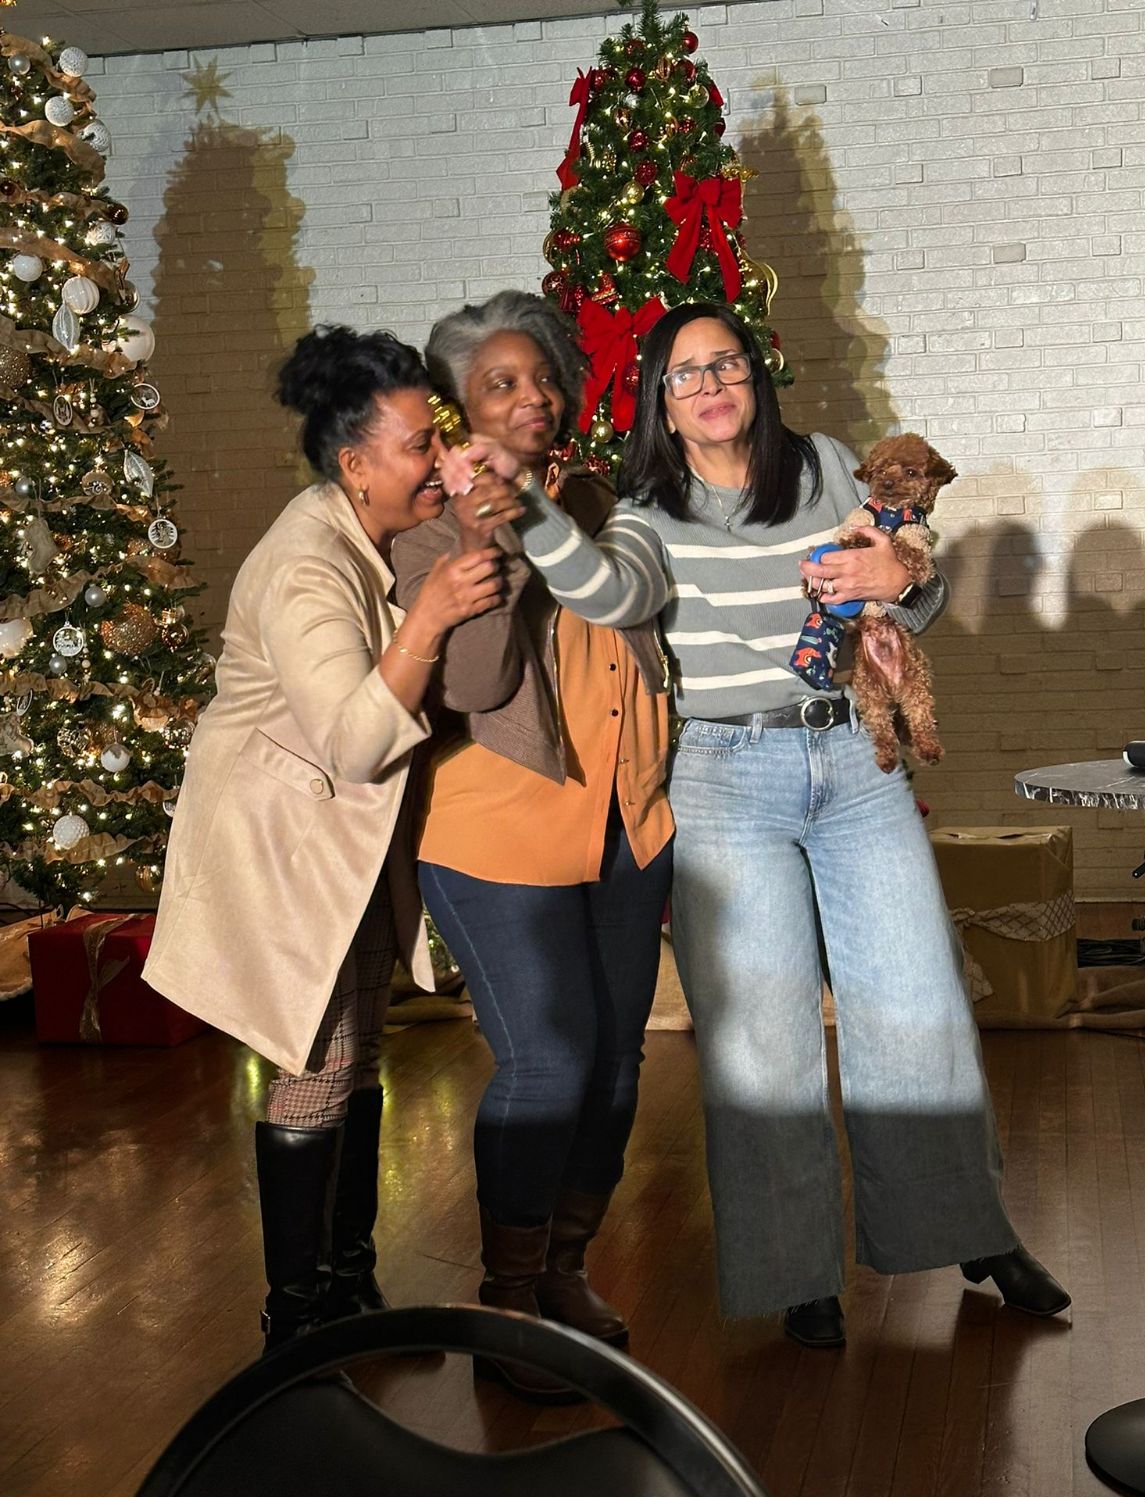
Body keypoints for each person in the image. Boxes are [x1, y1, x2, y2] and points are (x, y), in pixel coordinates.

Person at [441, 300, 1070, 1348]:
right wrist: (530, 509)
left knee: (919, 1007)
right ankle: (797, 1274)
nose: (709, 385)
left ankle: (969, 1229)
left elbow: (911, 586)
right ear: (661, 403)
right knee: (762, 1043)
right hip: (725, 778)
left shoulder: (824, 466)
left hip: (853, 762)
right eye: (684, 374)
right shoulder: (648, 507)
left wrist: (903, 577)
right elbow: (608, 593)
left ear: (754, 377)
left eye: (724, 363)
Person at [144, 326, 506, 1351]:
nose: (438, 459)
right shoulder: (306, 564)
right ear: (354, 464)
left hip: (341, 839)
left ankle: (348, 1288)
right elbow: (352, 742)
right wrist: (430, 617)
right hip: (281, 845)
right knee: (313, 1063)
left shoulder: (370, 533)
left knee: (360, 1053)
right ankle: (296, 1325)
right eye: (418, 445)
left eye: (439, 436)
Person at [390, 291, 673, 1399]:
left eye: (545, 376)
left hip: (625, 821)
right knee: (548, 1059)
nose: (533, 397)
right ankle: (507, 1294)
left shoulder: (601, 502)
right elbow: (474, 684)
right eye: (500, 383)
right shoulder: (429, 525)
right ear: (457, 409)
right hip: (495, 829)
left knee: (616, 1059)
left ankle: (564, 1270)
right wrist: (486, 537)